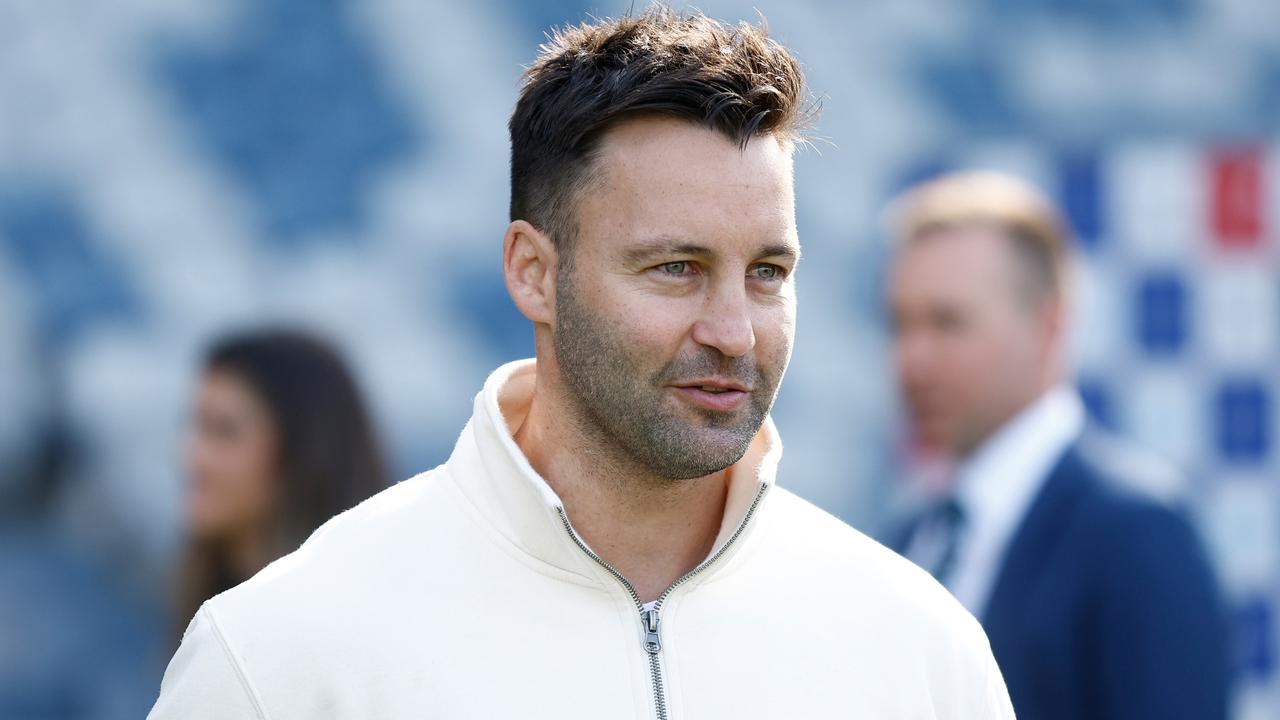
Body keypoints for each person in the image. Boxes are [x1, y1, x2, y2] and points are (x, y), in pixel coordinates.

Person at [149, 9, 1014, 718]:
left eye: (767, 274)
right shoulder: (280, 658)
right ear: (533, 272)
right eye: (675, 267)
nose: (734, 332)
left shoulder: (922, 655)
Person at [884, 170, 1230, 720]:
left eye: (947, 322)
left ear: (1047, 327)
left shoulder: (1138, 532)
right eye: (900, 324)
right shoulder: (911, 537)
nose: (912, 359)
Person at [179, 329, 388, 632]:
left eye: (224, 430)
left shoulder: (348, 629)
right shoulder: (214, 614)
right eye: (197, 426)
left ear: (303, 452)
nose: (194, 456)